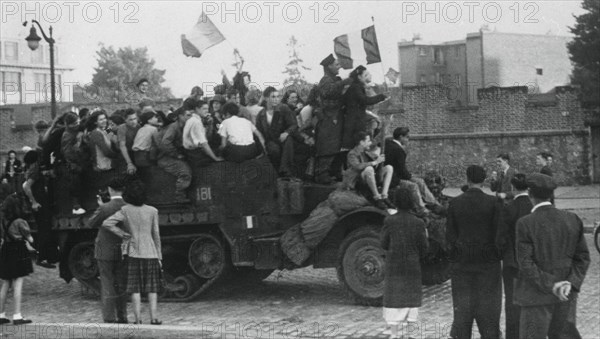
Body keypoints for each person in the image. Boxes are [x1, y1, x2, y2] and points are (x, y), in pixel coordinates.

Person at [514, 173, 590, 339]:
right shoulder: (572, 219)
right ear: (550, 195)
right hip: (565, 296)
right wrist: (570, 283)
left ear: (530, 195)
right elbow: (583, 258)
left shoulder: (525, 223)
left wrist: (552, 285)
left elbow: (525, 263)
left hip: (535, 297)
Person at [446, 165, 503, 339]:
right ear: (484, 180)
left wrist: (456, 259)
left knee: (462, 316)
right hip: (488, 268)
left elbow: (449, 238)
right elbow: (500, 237)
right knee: (489, 316)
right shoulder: (494, 203)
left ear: (467, 179)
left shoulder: (455, 203)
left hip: (462, 268)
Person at [102, 181, 162, 325]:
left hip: (133, 253)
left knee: (135, 289)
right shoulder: (153, 211)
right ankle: (154, 318)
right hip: (151, 253)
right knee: (152, 288)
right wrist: (159, 256)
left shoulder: (125, 210)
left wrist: (123, 234)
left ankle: (138, 319)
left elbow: (107, 223)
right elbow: (156, 234)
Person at [380, 187, 428, 339]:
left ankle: (394, 334)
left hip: (394, 265)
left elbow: (383, 243)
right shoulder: (419, 223)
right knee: (411, 301)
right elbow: (424, 248)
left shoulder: (389, 221)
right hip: (412, 265)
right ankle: (411, 334)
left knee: (394, 300)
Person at [86, 177, 128, 324]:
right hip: (122, 248)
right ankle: (122, 315)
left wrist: (101, 206)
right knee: (121, 282)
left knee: (107, 281)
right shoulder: (128, 206)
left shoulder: (105, 208)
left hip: (104, 248)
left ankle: (109, 316)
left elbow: (91, 223)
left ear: (110, 189)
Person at [497, 173, 532, 339]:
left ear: (513, 188)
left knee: (512, 303)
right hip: (534, 262)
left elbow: (501, 238)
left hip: (513, 263)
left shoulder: (509, 208)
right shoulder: (534, 206)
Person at [315, 54, 353, 184]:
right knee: (328, 146)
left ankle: (335, 171)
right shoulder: (325, 80)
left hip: (336, 115)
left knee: (337, 145)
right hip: (328, 117)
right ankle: (322, 173)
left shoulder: (333, 79)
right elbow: (328, 92)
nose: (339, 67)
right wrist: (343, 82)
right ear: (329, 66)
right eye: (337, 65)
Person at [384, 127, 442, 215]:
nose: (408, 140)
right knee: (415, 184)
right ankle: (423, 208)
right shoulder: (399, 150)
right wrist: (411, 176)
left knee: (420, 181)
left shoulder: (388, 143)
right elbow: (402, 171)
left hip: (390, 174)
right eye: (407, 137)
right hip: (394, 178)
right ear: (401, 137)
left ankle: (432, 203)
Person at [0, 190, 35, 325]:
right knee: (18, 283)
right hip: (18, 250)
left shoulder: (2, 220)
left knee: (6, 283)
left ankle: (1, 314)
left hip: (6, 250)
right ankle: (17, 315)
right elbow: (30, 238)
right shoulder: (20, 221)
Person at [343, 132, 396, 213]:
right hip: (357, 180)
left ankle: (384, 195)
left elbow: (375, 162)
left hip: (369, 177)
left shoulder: (366, 151)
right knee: (369, 169)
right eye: (368, 141)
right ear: (361, 142)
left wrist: (379, 159)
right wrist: (375, 162)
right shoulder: (352, 154)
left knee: (389, 168)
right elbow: (358, 167)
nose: (370, 143)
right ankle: (377, 197)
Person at [255, 87, 302, 176]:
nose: (276, 99)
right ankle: (278, 174)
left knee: (288, 139)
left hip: (285, 137)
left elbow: (293, 124)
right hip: (271, 140)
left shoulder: (283, 108)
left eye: (278, 96)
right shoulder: (261, 115)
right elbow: (258, 133)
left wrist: (286, 132)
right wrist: (262, 144)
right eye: (273, 97)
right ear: (266, 98)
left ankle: (286, 170)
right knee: (273, 150)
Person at [21, 150, 57, 268]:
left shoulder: (32, 168)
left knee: (45, 229)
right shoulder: (35, 169)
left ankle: (50, 257)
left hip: (40, 201)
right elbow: (26, 186)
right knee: (44, 230)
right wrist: (34, 202)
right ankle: (41, 258)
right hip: (40, 202)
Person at [341, 65, 387, 150]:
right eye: (366, 74)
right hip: (356, 123)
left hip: (354, 122)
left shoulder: (356, 86)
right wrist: (381, 96)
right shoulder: (356, 87)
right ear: (359, 77)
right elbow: (365, 100)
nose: (370, 75)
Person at [157, 108, 192, 201]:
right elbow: (165, 143)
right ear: (180, 116)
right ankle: (179, 196)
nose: (190, 117)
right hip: (164, 157)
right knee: (185, 171)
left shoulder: (184, 127)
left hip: (171, 155)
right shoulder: (174, 127)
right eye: (188, 115)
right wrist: (176, 155)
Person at [60, 112, 87, 215]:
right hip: (74, 164)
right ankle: (76, 206)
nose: (77, 125)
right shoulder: (67, 135)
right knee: (75, 183)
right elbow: (67, 152)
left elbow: (84, 124)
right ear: (68, 124)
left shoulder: (75, 130)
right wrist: (78, 158)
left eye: (78, 122)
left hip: (78, 162)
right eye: (75, 123)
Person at [117, 109, 140, 175]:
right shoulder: (122, 128)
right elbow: (122, 146)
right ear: (125, 120)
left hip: (136, 152)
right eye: (131, 119)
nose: (134, 122)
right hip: (126, 152)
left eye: (135, 118)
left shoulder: (139, 126)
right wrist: (129, 163)